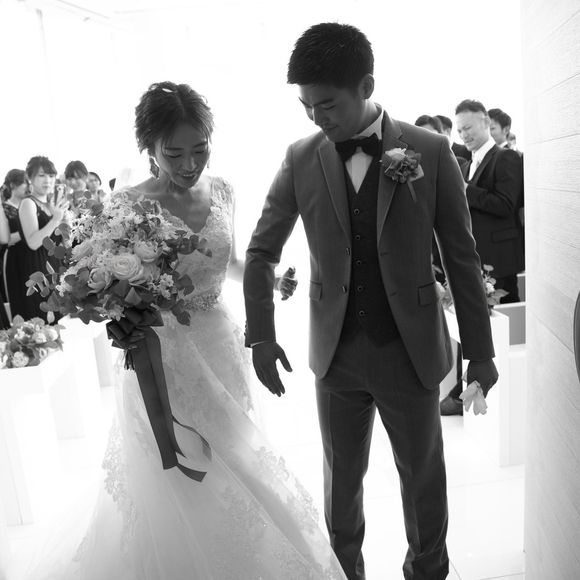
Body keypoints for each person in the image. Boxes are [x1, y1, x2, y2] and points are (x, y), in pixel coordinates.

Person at [25, 81, 345, 580]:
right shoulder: (127, 203)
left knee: (235, 458)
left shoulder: (224, 191)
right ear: (148, 148)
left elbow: (228, 262)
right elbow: (106, 283)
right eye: (174, 154)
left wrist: (270, 277)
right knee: (175, 469)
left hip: (219, 344)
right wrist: (119, 315)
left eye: (200, 149)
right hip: (160, 353)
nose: (190, 163)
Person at [244, 23, 498, 580]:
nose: (316, 117)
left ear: (366, 86)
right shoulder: (300, 156)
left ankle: (427, 571)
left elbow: (461, 257)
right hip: (335, 354)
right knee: (340, 487)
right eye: (306, 106)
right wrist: (260, 333)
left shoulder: (430, 150)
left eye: (327, 104)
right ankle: (343, 573)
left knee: (423, 481)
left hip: (410, 350)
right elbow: (261, 251)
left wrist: (481, 352)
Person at [455, 99, 524, 302]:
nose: (464, 135)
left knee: (506, 316)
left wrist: (466, 190)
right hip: (474, 260)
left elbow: (506, 205)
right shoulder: (466, 166)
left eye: (468, 128)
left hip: (499, 260)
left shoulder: (506, 157)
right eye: (459, 131)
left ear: (486, 123)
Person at [11, 157, 68, 322]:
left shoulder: (51, 204)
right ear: (30, 178)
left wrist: (65, 225)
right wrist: (55, 220)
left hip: (54, 266)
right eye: (41, 175)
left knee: (60, 319)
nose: (47, 180)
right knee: (44, 320)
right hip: (37, 267)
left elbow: (59, 240)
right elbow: (33, 242)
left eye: (51, 176)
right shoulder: (28, 203)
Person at [1, 169, 28, 326]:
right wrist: (29, 232)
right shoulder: (4, 208)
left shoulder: (29, 205)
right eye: (25, 183)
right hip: (13, 258)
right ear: (13, 185)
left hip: (30, 256)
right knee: (18, 299)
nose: (28, 186)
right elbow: (5, 239)